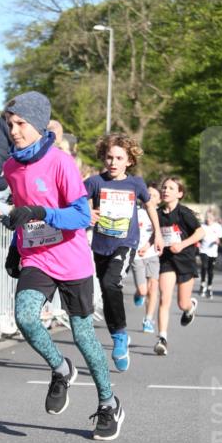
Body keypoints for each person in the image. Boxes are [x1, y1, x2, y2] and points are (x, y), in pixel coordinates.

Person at [0, 91, 125, 441]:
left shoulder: (60, 163)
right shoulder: (11, 167)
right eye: (10, 124)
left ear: (38, 125)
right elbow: (24, 209)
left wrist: (41, 213)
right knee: (24, 316)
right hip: (37, 256)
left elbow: (82, 215)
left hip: (71, 260)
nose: (15, 130)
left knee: (83, 336)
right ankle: (60, 368)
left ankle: (108, 403)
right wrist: (14, 246)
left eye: (21, 124)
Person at [85, 134, 163, 371]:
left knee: (111, 284)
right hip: (100, 245)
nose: (113, 162)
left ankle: (119, 338)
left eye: (119, 158)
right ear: (103, 157)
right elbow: (77, 200)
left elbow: (149, 205)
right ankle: (118, 334)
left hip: (125, 243)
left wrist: (157, 233)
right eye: (109, 157)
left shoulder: (136, 184)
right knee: (108, 292)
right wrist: (88, 213)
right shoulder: (95, 182)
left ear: (129, 160)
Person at [152, 177, 204, 357]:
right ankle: (162, 339)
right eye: (164, 187)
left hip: (185, 259)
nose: (165, 190)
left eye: (171, 188)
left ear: (179, 194)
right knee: (164, 299)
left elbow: (200, 232)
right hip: (167, 260)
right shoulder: (158, 214)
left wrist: (182, 245)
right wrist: (146, 246)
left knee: (182, 303)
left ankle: (190, 307)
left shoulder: (184, 213)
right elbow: (156, 234)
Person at [132, 184, 161, 332]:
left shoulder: (159, 214)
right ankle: (138, 293)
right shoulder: (135, 211)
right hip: (137, 255)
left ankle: (148, 320)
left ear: (159, 200)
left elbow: (158, 234)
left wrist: (148, 246)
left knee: (153, 288)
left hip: (152, 255)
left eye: (154, 196)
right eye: (148, 194)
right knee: (143, 290)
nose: (150, 197)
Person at [198, 209, 222, 298]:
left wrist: (218, 241)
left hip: (213, 252)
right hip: (203, 250)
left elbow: (221, 239)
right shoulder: (202, 226)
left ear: (214, 218)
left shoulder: (218, 227)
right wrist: (198, 242)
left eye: (210, 217)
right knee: (204, 266)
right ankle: (202, 283)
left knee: (210, 270)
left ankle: (209, 286)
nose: (208, 219)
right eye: (207, 217)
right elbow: (197, 237)